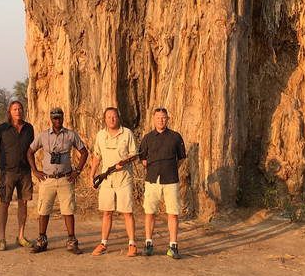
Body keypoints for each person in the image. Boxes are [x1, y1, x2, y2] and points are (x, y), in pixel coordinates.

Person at [27, 107, 89, 255]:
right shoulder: (43, 136)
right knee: (43, 210)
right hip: (47, 179)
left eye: (59, 118)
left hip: (65, 178)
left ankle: (71, 241)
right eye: (54, 118)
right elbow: (30, 152)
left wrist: (77, 171)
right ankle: (42, 240)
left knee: (68, 210)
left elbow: (84, 152)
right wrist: (35, 170)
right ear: (51, 119)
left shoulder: (70, 135)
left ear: (63, 118)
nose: (57, 121)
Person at [88, 107, 139, 257]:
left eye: (114, 117)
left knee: (127, 212)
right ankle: (103, 243)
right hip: (107, 180)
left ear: (118, 117)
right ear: (105, 119)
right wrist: (92, 175)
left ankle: (132, 244)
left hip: (124, 178)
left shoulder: (127, 133)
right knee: (107, 212)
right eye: (109, 117)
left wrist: (124, 162)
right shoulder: (100, 135)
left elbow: (134, 154)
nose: (112, 119)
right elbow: (96, 156)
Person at [139, 107, 186, 259]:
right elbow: (143, 159)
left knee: (172, 212)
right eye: (158, 117)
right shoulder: (147, 138)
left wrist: (170, 168)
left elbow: (181, 158)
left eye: (163, 117)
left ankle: (173, 245)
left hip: (171, 179)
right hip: (152, 179)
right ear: (153, 119)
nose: (161, 120)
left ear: (167, 119)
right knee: (150, 212)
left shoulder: (175, 137)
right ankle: (148, 243)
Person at [0, 99, 36, 251]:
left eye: (20, 109)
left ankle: (21, 236)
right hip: (8, 172)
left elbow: (32, 149)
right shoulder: (2, 129)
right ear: (9, 112)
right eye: (15, 109)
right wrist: (5, 161)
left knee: (23, 202)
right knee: (5, 202)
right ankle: (2, 238)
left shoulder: (29, 128)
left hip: (25, 171)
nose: (18, 111)